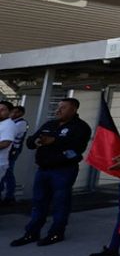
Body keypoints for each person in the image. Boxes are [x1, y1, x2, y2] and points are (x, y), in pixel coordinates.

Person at [10, 98, 92, 246]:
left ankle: (56, 233)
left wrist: (54, 142)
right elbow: (31, 142)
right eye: (58, 107)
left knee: (60, 203)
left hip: (63, 171)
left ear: (74, 109)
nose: (58, 110)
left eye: (63, 108)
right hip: (43, 170)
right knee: (38, 202)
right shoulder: (50, 124)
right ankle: (32, 233)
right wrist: (37, 142)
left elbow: (77, 147)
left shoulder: (81, 127)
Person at [0, 105, 30, 204]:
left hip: (12, 151)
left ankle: (10, 196)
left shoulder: (19, 123)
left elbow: (6, 141)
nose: (14, 114)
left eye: (16, 112)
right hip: (10, 151)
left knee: (8, 173)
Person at [0, 101, 17, 195]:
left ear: (10, 112)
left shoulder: (9, 125)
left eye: (3, 109)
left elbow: (5, 143)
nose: (0, 111)